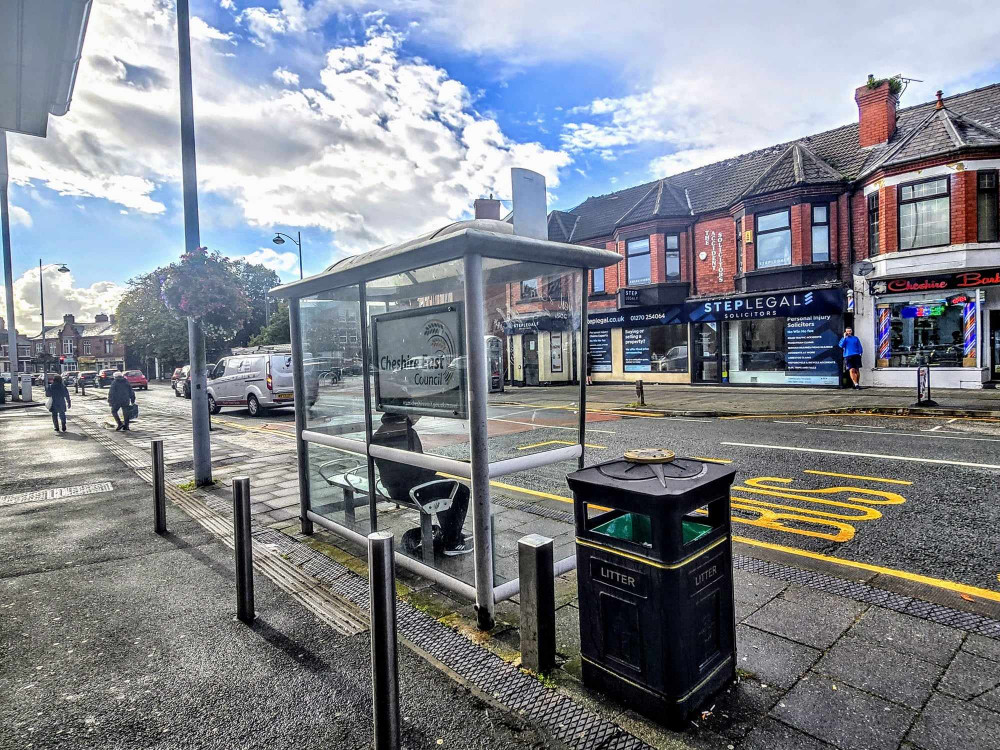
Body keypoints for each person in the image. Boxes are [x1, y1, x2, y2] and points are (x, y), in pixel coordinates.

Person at [371, 412, 472, 556]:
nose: (417, 417)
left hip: (394, 488)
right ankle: (452, 542)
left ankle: (450, 533)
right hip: (412, 489)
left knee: (444, 484)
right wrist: (445, 466)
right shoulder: (407, 433)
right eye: (414, 413)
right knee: (460, 490)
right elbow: (418, 467)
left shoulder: (380, 432)